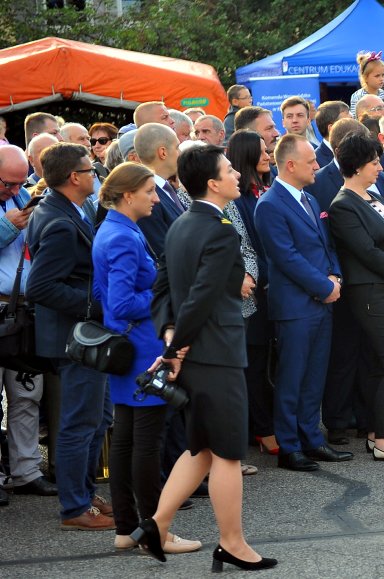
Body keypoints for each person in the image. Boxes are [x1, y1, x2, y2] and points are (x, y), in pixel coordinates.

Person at [132, 143, 276, 571]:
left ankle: (156, 526)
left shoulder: (180, 223)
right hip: (215, 353)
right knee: (227, 452)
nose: (237, 174)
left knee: (202, 449)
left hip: (198, 350)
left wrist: (170, 333)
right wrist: (174, 345)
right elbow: (201, 296)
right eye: (229, 170)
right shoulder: (220, 229)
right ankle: (232, 543)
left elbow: (163, 289)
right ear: (213, 183)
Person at [92, 162, 202, 553]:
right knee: (146, 443)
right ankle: (155, 531)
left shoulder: (114, 228)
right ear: (128, 195)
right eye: (149, 192)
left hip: (129, 349)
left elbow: (105, 295)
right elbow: (120, 303)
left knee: (126, 440)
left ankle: (127, 529)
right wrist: (163, 298)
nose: (156, 198)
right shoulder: (122, 235)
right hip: (141, 350)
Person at [25, 142, 113, 530]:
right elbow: (41, 287)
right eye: (91, 170)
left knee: (98, 417)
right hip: (75, 338)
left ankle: (85, 494)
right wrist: (95, 306)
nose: (96, 175)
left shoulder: (67, 209)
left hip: (83, 335)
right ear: (74, 177)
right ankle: (75, 507)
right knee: (80, 422)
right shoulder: (59, 221)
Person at [254, 134, 351, 471]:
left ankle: (312, 439)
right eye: (311, 162)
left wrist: (335, 277)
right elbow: (286, 257)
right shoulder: (269, 204)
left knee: (314, 376)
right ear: (291, 165)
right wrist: (324, 286)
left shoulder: (309, 198)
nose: (317, 166)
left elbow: (327, 246)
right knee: (292, 377)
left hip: (322, 301)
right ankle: (289, 446)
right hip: (295, 306)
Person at [326, 134, 384, 462]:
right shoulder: (342, 205)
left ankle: (374, 432)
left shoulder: (374, 196)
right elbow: (366, 251)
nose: (380, 168)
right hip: (371, 292)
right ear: (356, 166)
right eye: (374, 162)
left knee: (381, 363)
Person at [0, 146, 56, 505]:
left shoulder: (21, 195)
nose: (14, 190)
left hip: (24, 310)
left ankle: (27, 471)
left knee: (27, 394)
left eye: (20, 182)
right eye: (7, 183)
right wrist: (8, 226)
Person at [226, 130, 276, 454]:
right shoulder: (238, 199)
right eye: (261, 151)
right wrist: (262, 277)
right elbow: (247, 247)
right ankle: (261, 429)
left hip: (272, 289)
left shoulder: (266, 189)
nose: (268, 155)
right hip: (253, 291)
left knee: (266, 362)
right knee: (254, 364)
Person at [132, 123, 185, 255]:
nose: (180, 153)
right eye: (177, 147)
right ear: (163, 152)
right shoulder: (146, 198)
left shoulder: (166, 188)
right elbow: (162, 251)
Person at [349, 52, 384, 120]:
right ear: (365, 78)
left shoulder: (382, 93)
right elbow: (355, 118)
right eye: (377, 76)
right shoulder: (358, 96)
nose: (381, 79)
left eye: (383, 75)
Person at [314, 101, 350, 167]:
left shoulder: (356, 153)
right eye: (347, 122)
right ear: (332, 128)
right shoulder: (315, 160)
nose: (354, 125)